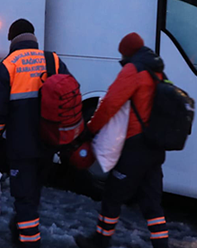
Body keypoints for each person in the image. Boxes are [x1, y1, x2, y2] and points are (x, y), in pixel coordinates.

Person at [0, 19, 70, 247]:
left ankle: (29, 241)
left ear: (11, 39)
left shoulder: (8, 66)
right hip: (48, 143)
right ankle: (19, 228)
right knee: (33, 192)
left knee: (24, 199)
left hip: (21, 148)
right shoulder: (53, 60)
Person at [75, 33, 168, 248]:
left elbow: (110, 104)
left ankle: (100, 240)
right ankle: (162, 244)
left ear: (127, 52)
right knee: (152, 202)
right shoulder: (157, 70)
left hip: (136, 146)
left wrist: (90, 130)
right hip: (155, 146)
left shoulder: (133, 70)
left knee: (112, 194)